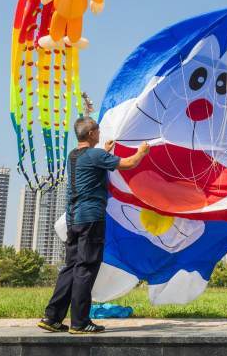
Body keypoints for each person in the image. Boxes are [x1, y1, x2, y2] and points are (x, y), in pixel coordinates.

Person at [38, 116, 150, 334]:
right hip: (91, 218)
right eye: (98, 130)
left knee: (71, 267)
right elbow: (128, 164)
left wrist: (105, 152)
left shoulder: (74, 156)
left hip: (74, 219)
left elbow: (92, 166)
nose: (100, 133)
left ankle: (52, 317)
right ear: (91, 134)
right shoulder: (96, 155)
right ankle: (80, 323)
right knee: (86, 269)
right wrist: (142, 152)